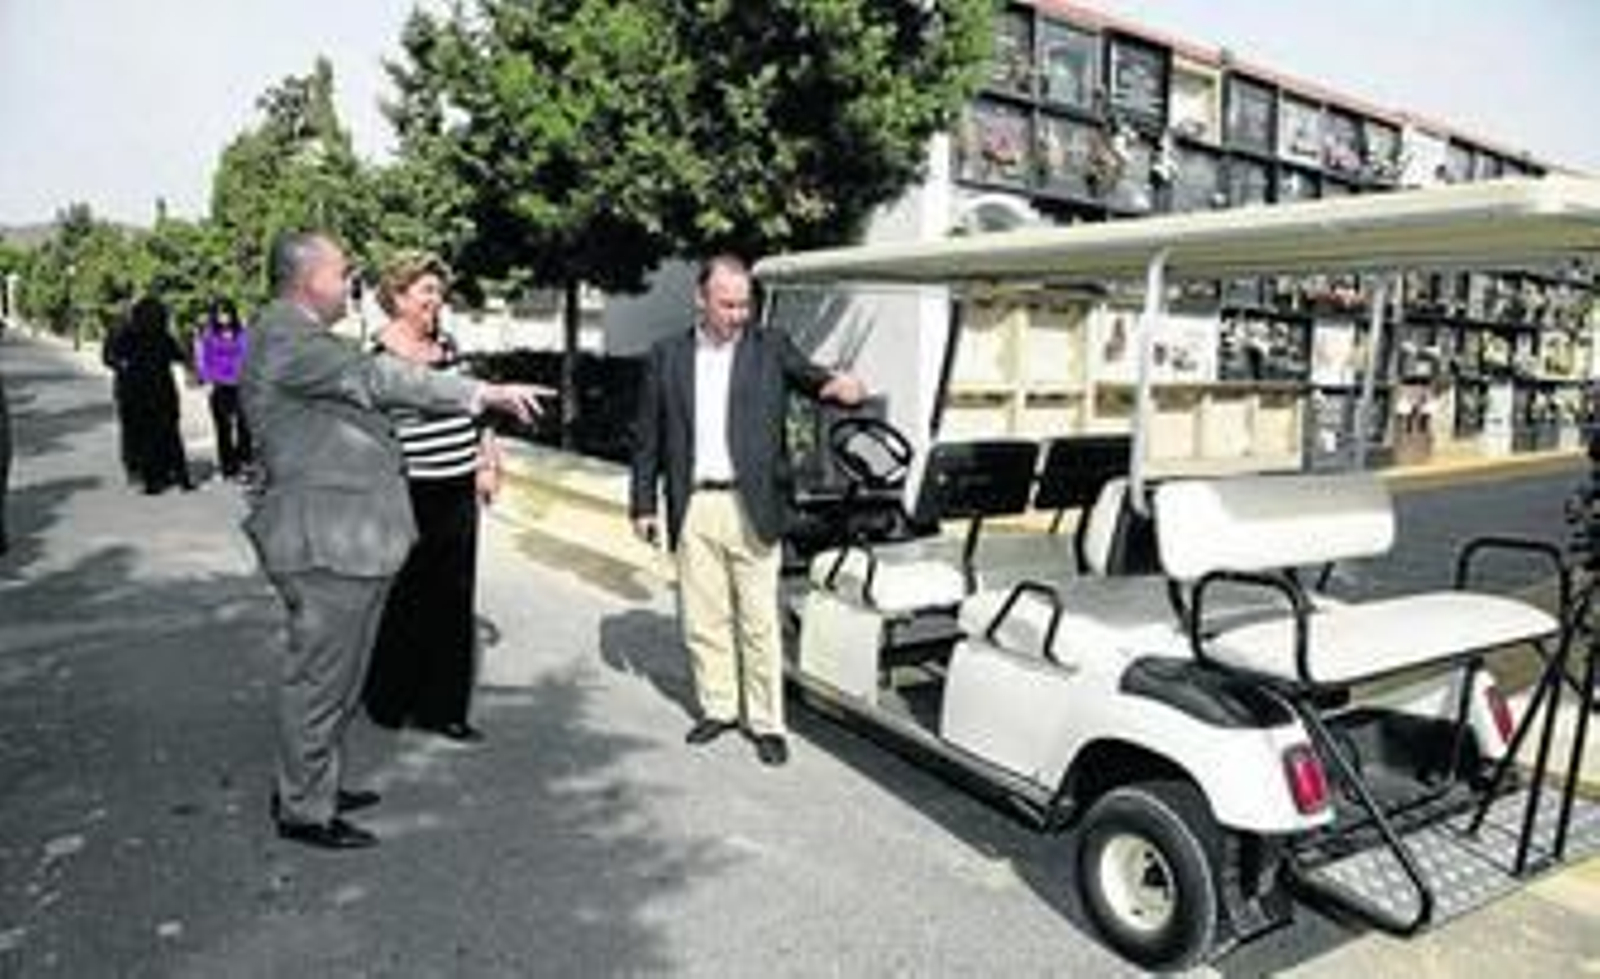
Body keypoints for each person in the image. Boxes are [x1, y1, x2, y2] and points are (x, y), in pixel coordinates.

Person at [242, 231, 550, 850]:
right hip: (325, 542)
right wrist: (481, 392)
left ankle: (311, 784)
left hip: (339, 537)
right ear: (309, 279)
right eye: (341, 272)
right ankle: (304, 810)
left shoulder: (297, 337)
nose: (349, 282)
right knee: (321, 682)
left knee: (335, 681)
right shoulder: (290, 339)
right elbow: (381, 378)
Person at [630, 254, 865, 767]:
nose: (739, 314)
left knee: (759, 622)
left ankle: (765, 722)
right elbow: (648, 436)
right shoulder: (667, 355)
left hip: (754, 502)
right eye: (728, 305)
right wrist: (643, 503)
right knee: (703, 618)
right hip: (695, 503)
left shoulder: (770, 346)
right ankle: (718, 707)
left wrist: (842, 388)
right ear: (701, 299)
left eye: (744, 304)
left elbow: (813, 379)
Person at [361, 252, 502, 743]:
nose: (436, 300)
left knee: (455, 596)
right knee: (408, 597)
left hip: (457, 486)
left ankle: (444, 710)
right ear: (398, 297)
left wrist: (487, 460)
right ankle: (389, 698)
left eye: (438, 291)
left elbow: (478, 408)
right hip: (409, 489)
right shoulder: (378, 357)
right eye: (426, 291)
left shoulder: (449, 346)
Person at [113, 296, 192, 494]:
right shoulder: (162, 337)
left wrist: (124, 368)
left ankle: (152, 480)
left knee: (145, 437)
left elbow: (114, 357)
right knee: (169, 434)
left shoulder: (128, 335)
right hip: (162, 392)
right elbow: (179, 356)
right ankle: (179, 476)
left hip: (137, 393)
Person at [194, 299, 253, 480]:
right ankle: (229, 467)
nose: (223, 317)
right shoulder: (209, 334)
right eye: (219, 313)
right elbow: (204, 359)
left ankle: (244, 461)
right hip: (219, 385)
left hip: (241, 384)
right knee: (223, 428)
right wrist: (206, 380)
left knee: (244, 426)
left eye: (226, 312)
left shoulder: (242, 333)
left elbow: (248, 355)